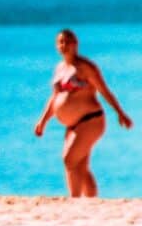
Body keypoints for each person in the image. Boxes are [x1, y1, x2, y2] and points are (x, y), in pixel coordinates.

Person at [34, 29, 132, 197]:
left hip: (91, 120)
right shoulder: (59, 68)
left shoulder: (85, 67)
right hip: (73, 124)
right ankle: (90, 202)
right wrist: (43, 121)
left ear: (75, 44)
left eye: (67, 41)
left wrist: (120, 113)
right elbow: (55, 98)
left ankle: (75, 200)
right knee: (80, 166)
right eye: (60, 42)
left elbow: (104, 91)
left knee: (69, 159)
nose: (64, 45)